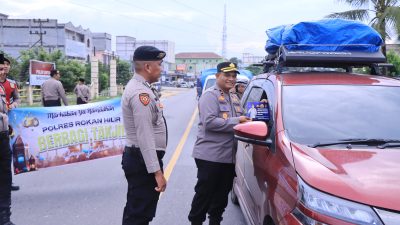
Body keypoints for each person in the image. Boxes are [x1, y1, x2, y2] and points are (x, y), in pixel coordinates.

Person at [188, 62, 251, 225]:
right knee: (204, 194)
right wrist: (238, 120)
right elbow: (209, 122)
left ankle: (215, 222)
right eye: (227, 75)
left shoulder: (234, 97)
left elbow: (244, 118)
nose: (231, 79)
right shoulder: (210, 95)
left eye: (234, 76)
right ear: (217, 76)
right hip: (210, 156)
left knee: (221, 197)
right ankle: (196, 222)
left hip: (228, 157)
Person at [121, 46, 168, 225]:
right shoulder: (140, 93)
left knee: (139, 210)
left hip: (142, 159)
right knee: (139, 214)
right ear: (148, 67)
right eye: (159, 64)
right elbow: (145, 136)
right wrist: (157, 172)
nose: (161, 68)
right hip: (143, 160)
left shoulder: (143, 88)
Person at [1, 56, 20, 192]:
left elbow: (17, 99)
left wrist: (14, 103)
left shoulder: (12, 84)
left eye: (7, 64)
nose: (5, 67)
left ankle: (9, 181)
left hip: (7, 122)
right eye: (2, 65)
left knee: (7, 151)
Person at [0, 54, 15, 225]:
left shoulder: (5, 87)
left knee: (5, 176)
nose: (3, 72)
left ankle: (5, 216)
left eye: (4, 68)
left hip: (3, 136)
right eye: (0, 69)